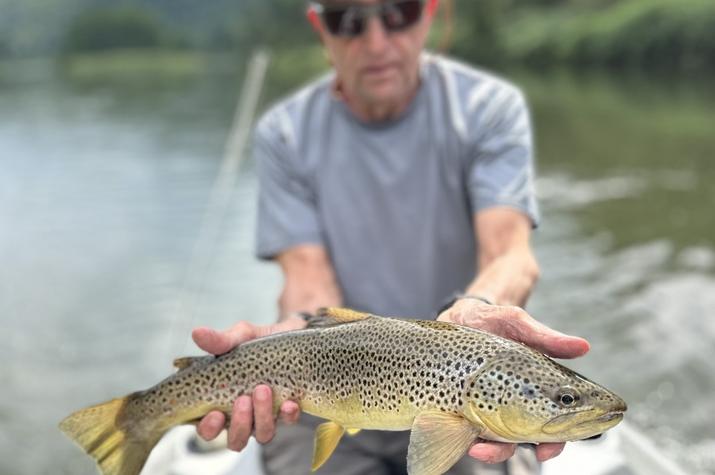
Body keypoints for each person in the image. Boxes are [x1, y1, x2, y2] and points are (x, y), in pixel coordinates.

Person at [191, 0, 591, 473]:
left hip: (459, 380)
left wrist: (479, 307)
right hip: (326, 379)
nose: (376, 41)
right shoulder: (286, 133)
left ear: (431, 16)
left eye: (398, 13)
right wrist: (297, 330)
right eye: (348, 20)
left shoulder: (488, 108)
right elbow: (307, 281)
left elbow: (510, 253)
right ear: (321, 30)